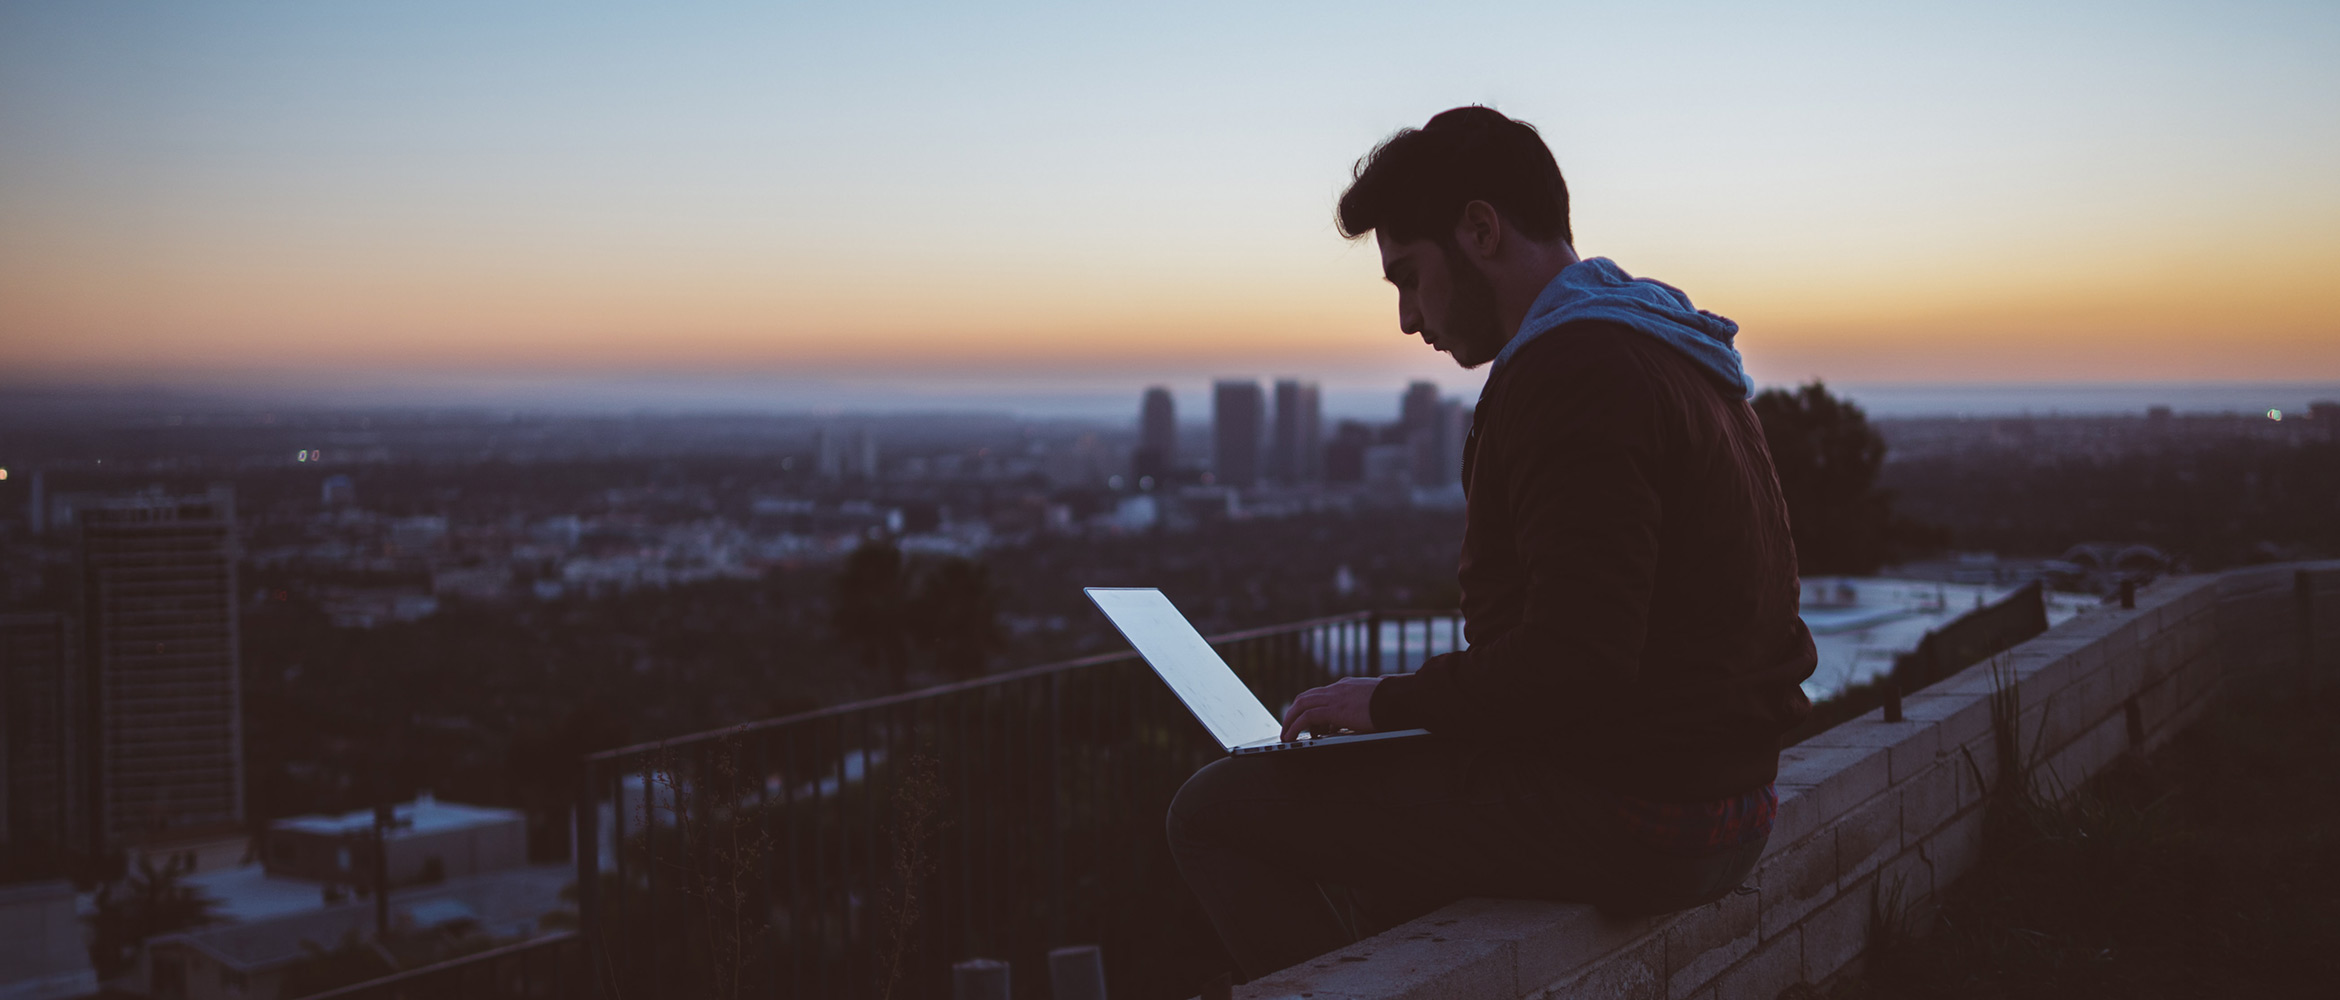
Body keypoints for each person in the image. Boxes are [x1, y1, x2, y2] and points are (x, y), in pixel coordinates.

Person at [1164, 106, 1818, 983]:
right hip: (1725, 795)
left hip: (1648, 814)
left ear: (1480, 230)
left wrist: (1387, 703)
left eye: (1408, 277)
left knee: (1214, 810)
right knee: (1382, 819)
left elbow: (1577, 660)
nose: (1407, 319)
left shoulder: (1572, 371)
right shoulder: (1669, 348)